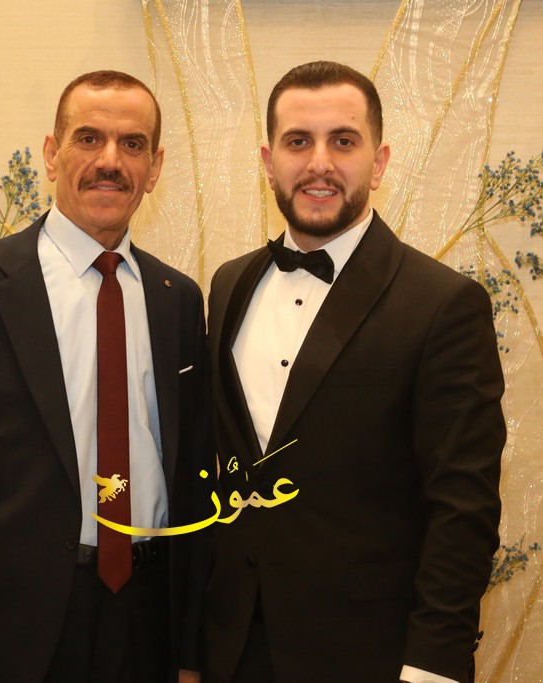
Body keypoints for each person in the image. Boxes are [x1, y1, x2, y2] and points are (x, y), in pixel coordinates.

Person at [0, 70, 211, 682]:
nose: (110, 161)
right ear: (51, 153)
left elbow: (195, 476)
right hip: (15, 633)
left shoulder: (177, 299)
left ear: (154, 167)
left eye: (133, 144)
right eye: (88, 138)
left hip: (150, 624)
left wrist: (192, 654)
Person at [202, 61, 505, 683]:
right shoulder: (229, 284)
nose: (319, 163)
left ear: (379, 161)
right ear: (268, 163)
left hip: (372, 655)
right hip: (233, 650)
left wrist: (432, 667)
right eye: (298, 141)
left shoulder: (443, 304)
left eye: (343, 141)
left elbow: (463, 507)